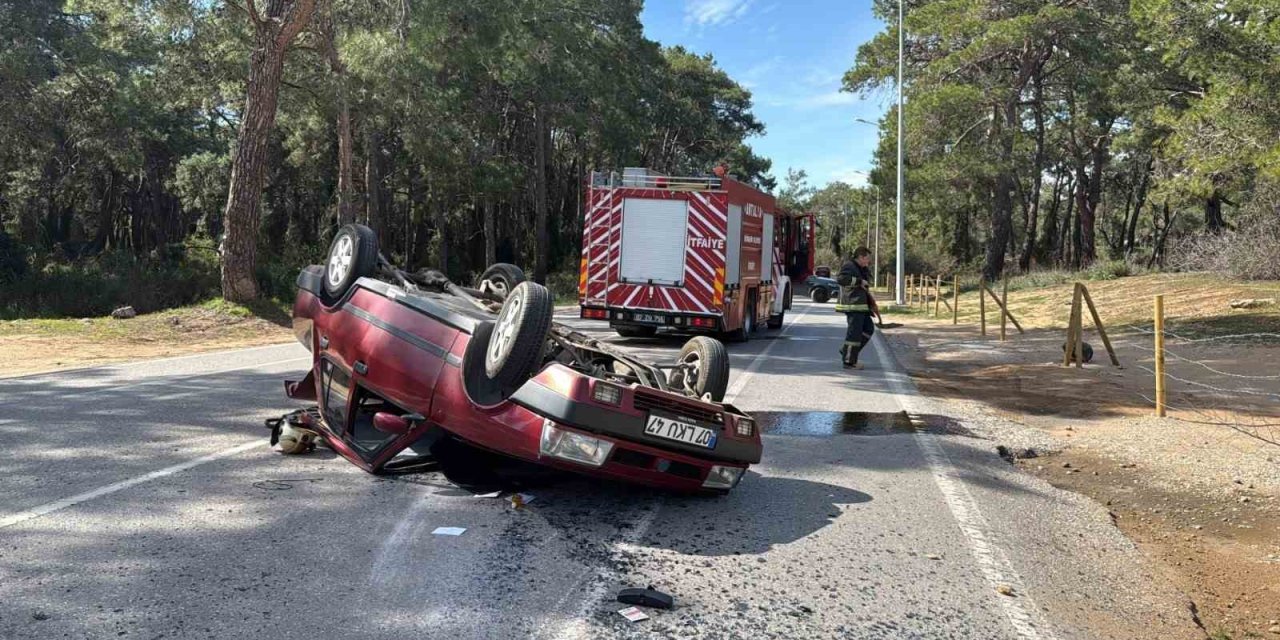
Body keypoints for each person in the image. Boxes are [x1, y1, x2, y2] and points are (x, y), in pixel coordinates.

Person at [835, 248, 877, 369]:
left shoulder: (861, 268)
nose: (868, 262)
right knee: (854, 334)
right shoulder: (849, 266)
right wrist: (859, 281)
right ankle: (849, 361)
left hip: (861, 305)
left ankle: (846, 351)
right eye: (867, 258)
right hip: (852, 305)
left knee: (868, 329)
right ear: (861, 257)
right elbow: (841, 279)